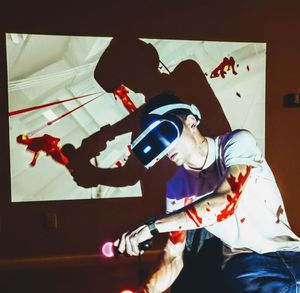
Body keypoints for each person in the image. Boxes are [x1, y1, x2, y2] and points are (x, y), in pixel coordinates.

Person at [114, 92, 300, 293]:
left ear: (191, 122)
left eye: (166, 134)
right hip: (248, 265)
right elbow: (174, 256)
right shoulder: (177, 188)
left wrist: (152, 227)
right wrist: (146, 290)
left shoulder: (235, 143)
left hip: (292, 252)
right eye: (158, 143)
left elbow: (226, 202)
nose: (166, 148)